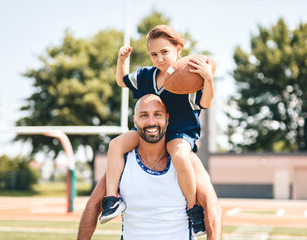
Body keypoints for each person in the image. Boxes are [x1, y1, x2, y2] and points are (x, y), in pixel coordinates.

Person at [101, 25, 216, 236]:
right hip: (149, 132)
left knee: (181, 157)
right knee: (115, 145)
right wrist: (121, 61)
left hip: (178, 132)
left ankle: (193, 209)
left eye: (164, 52)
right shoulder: (146, 75)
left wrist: (208, 79)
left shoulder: (188, 76)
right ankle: (112, 200)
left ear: (178, 48)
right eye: (153, 54)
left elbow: (206, 102)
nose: (159, 58)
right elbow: (121, 81)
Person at [77, 94, 222, 240]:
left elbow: (212, 206)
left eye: (157, 115)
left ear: (167, 118)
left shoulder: (185, 159)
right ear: (135, 120)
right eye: (144, 115)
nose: (151, 122)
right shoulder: (123, 161)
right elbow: (93, 205)